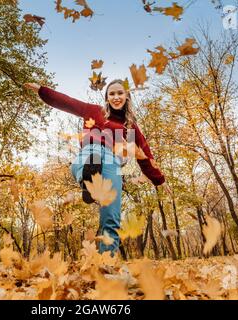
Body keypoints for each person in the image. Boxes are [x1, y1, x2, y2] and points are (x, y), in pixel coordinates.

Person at [24, 79, 168, 254]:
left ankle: (106, 264)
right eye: (111, 93)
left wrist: (159, 180)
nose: (116, 97)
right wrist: (42, 91)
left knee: (111, 217)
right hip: (93, 153)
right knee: (84, 163)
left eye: (120, 93)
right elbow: (67, 102)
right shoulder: (94, 111)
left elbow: (145, 156)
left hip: (112, 164)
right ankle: (88, 178)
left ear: (127, 96)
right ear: (106, 97)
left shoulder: (131, 128)